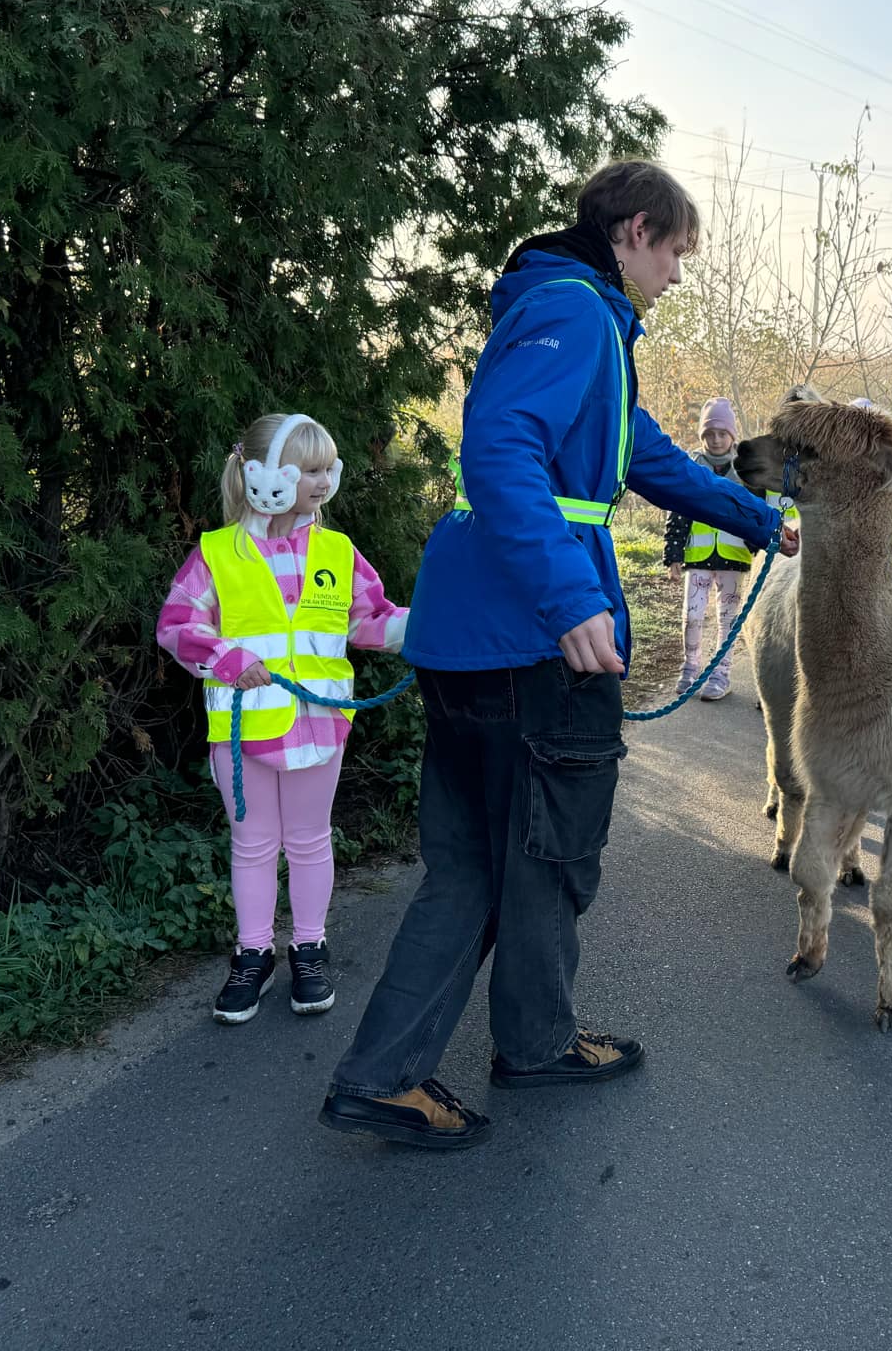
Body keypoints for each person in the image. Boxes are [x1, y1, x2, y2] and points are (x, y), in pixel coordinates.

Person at [320, 161, 796, 1152]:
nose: (674, 276)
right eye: (673, 254)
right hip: (532, 637)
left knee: (470, 866)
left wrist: (756, 519)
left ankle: (390, 1072)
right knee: (547, 854)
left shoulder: (564, 313)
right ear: (633, 232)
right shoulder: (578, 314)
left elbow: (643, 456)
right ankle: (522, 1046)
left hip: (473, 629)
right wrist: (572, 596)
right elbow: (497, 444)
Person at [157, 413, 409, 1025]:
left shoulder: (336, 551)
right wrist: (225, 657)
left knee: (310, 840)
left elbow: (366, 620)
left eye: (329, 469)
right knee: (252, 845)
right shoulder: (218, 553)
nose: (325, 481)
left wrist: (426, 627)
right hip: (243, 729)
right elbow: (177, 625)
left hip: (319, 728)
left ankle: (309, 947)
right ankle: (253, 954)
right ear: (266, 475)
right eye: (311, 470)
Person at [662, 397, 752, 702]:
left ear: (732, 436)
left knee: (728, 620)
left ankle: (721, 673)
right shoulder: (691, 467)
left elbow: (754, 512)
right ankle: (691, 668)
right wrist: (673, 553)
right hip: (697, 557)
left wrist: (759, 545)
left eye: (721, 434)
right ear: (702, 437)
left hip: (734, 558)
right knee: (692, 616)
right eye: (709, 434)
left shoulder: (745, 470)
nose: (715, 440)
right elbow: (678, 509)